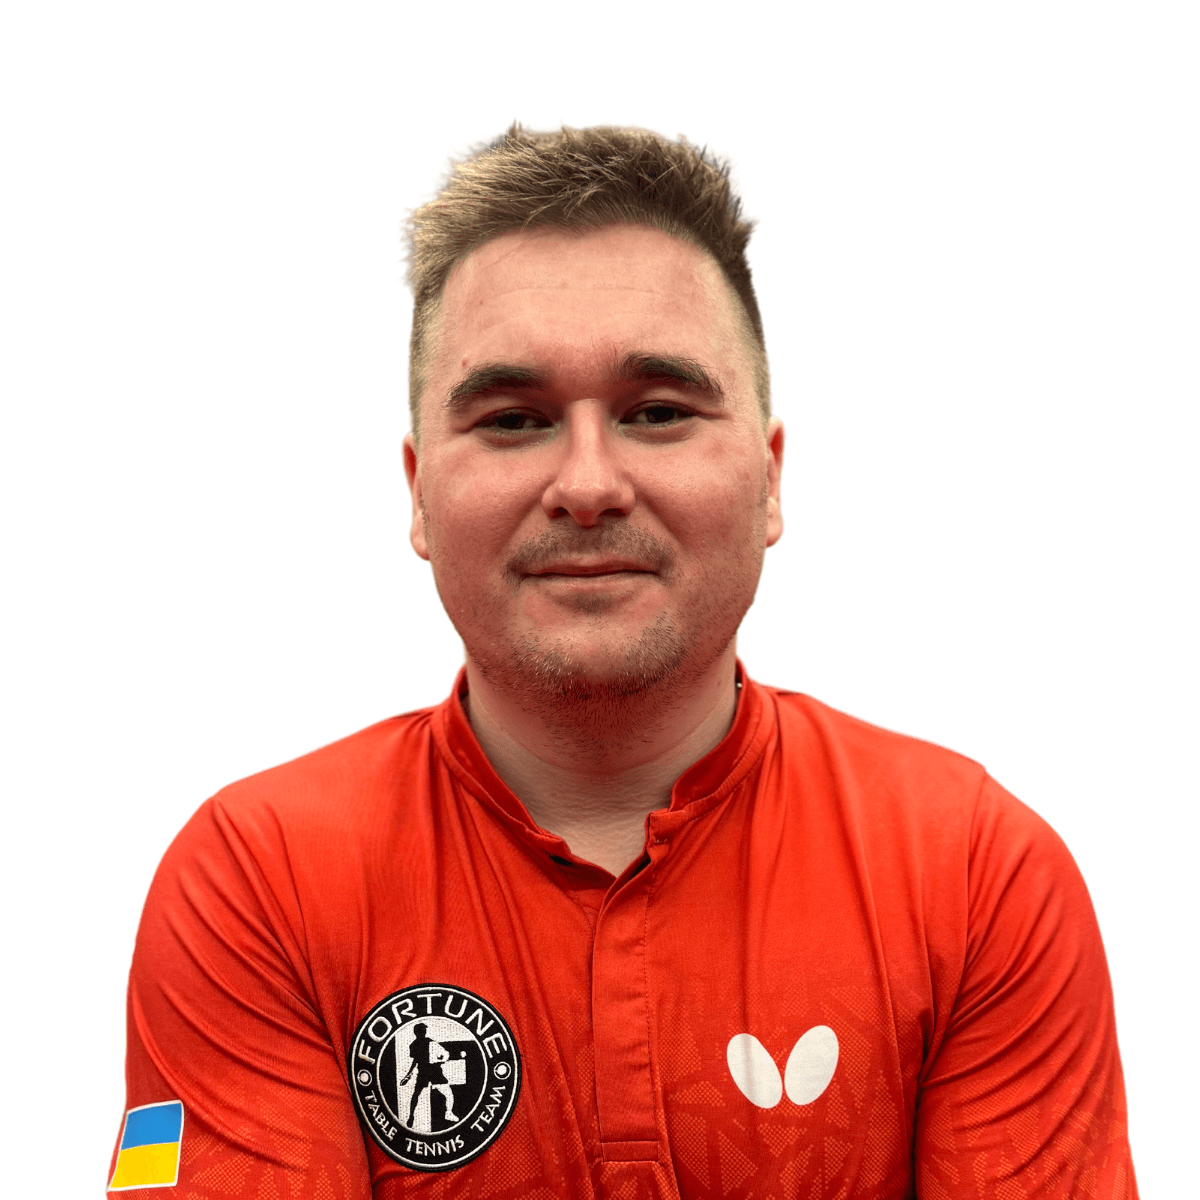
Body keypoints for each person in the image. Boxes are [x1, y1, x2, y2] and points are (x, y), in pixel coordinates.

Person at [108, 125, 1138, 1198]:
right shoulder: (257, 882)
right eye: (515, 420)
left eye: (656, 413)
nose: (589, 484)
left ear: (770, 478)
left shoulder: (976, 876)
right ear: (417, 493)